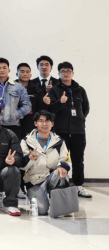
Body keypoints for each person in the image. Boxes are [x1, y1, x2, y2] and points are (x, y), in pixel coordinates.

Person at [45, 62, 91, 198]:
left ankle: (78, 186)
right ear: (59, 74)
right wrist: (61, 102)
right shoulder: (54, 90)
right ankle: (57, 186)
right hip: (61, 131)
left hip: (78, 131)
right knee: (57, 160)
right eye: (63, 71)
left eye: (68, 71)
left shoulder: (80, 90)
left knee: (78, 160)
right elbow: (50, 109)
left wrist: (79, 120)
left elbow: (85, 108)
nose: (66, 73)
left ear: (73, 73)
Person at [21, 110, 72, 214]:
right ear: (35, 123)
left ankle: (60, 204)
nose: (44, 124)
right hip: (34, 180)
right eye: (41, 121)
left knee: (61, 174)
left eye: (47, 121)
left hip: (52, 177)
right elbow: (22, 166)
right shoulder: (26, 141)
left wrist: (62, 167)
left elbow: (65, 158)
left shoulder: (59, 141)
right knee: (41, 210)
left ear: (52, 124)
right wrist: (30, 159)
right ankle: (42, 198)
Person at [0, 58, 31, 140]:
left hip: (13, 125)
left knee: (14, 147)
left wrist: (16, 114)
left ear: (9, 70)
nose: (2, 70)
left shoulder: (18, 87)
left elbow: (27, 105)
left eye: (4, 68)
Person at [15, 63, 42, 136]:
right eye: (22, 71)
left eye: (27, 72)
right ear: (17, 74)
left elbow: (40, 109)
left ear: (30, 75)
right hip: (14, 123)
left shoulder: (37, 90)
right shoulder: (10, 88)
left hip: (30, 124)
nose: (25, 74)